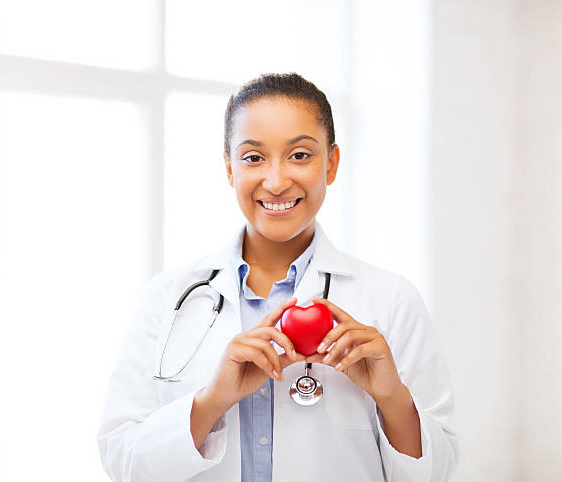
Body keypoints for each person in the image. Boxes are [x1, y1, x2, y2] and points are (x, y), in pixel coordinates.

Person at [97, 73, 459, 482]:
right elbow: (124, 462)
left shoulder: (391, 299)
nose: (276, 180)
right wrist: (213, 400)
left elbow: (436, 472)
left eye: (300, 155)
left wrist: (390, 395)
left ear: (332, 163)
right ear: (230, 168)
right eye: (253, 158)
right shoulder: (169, 297)